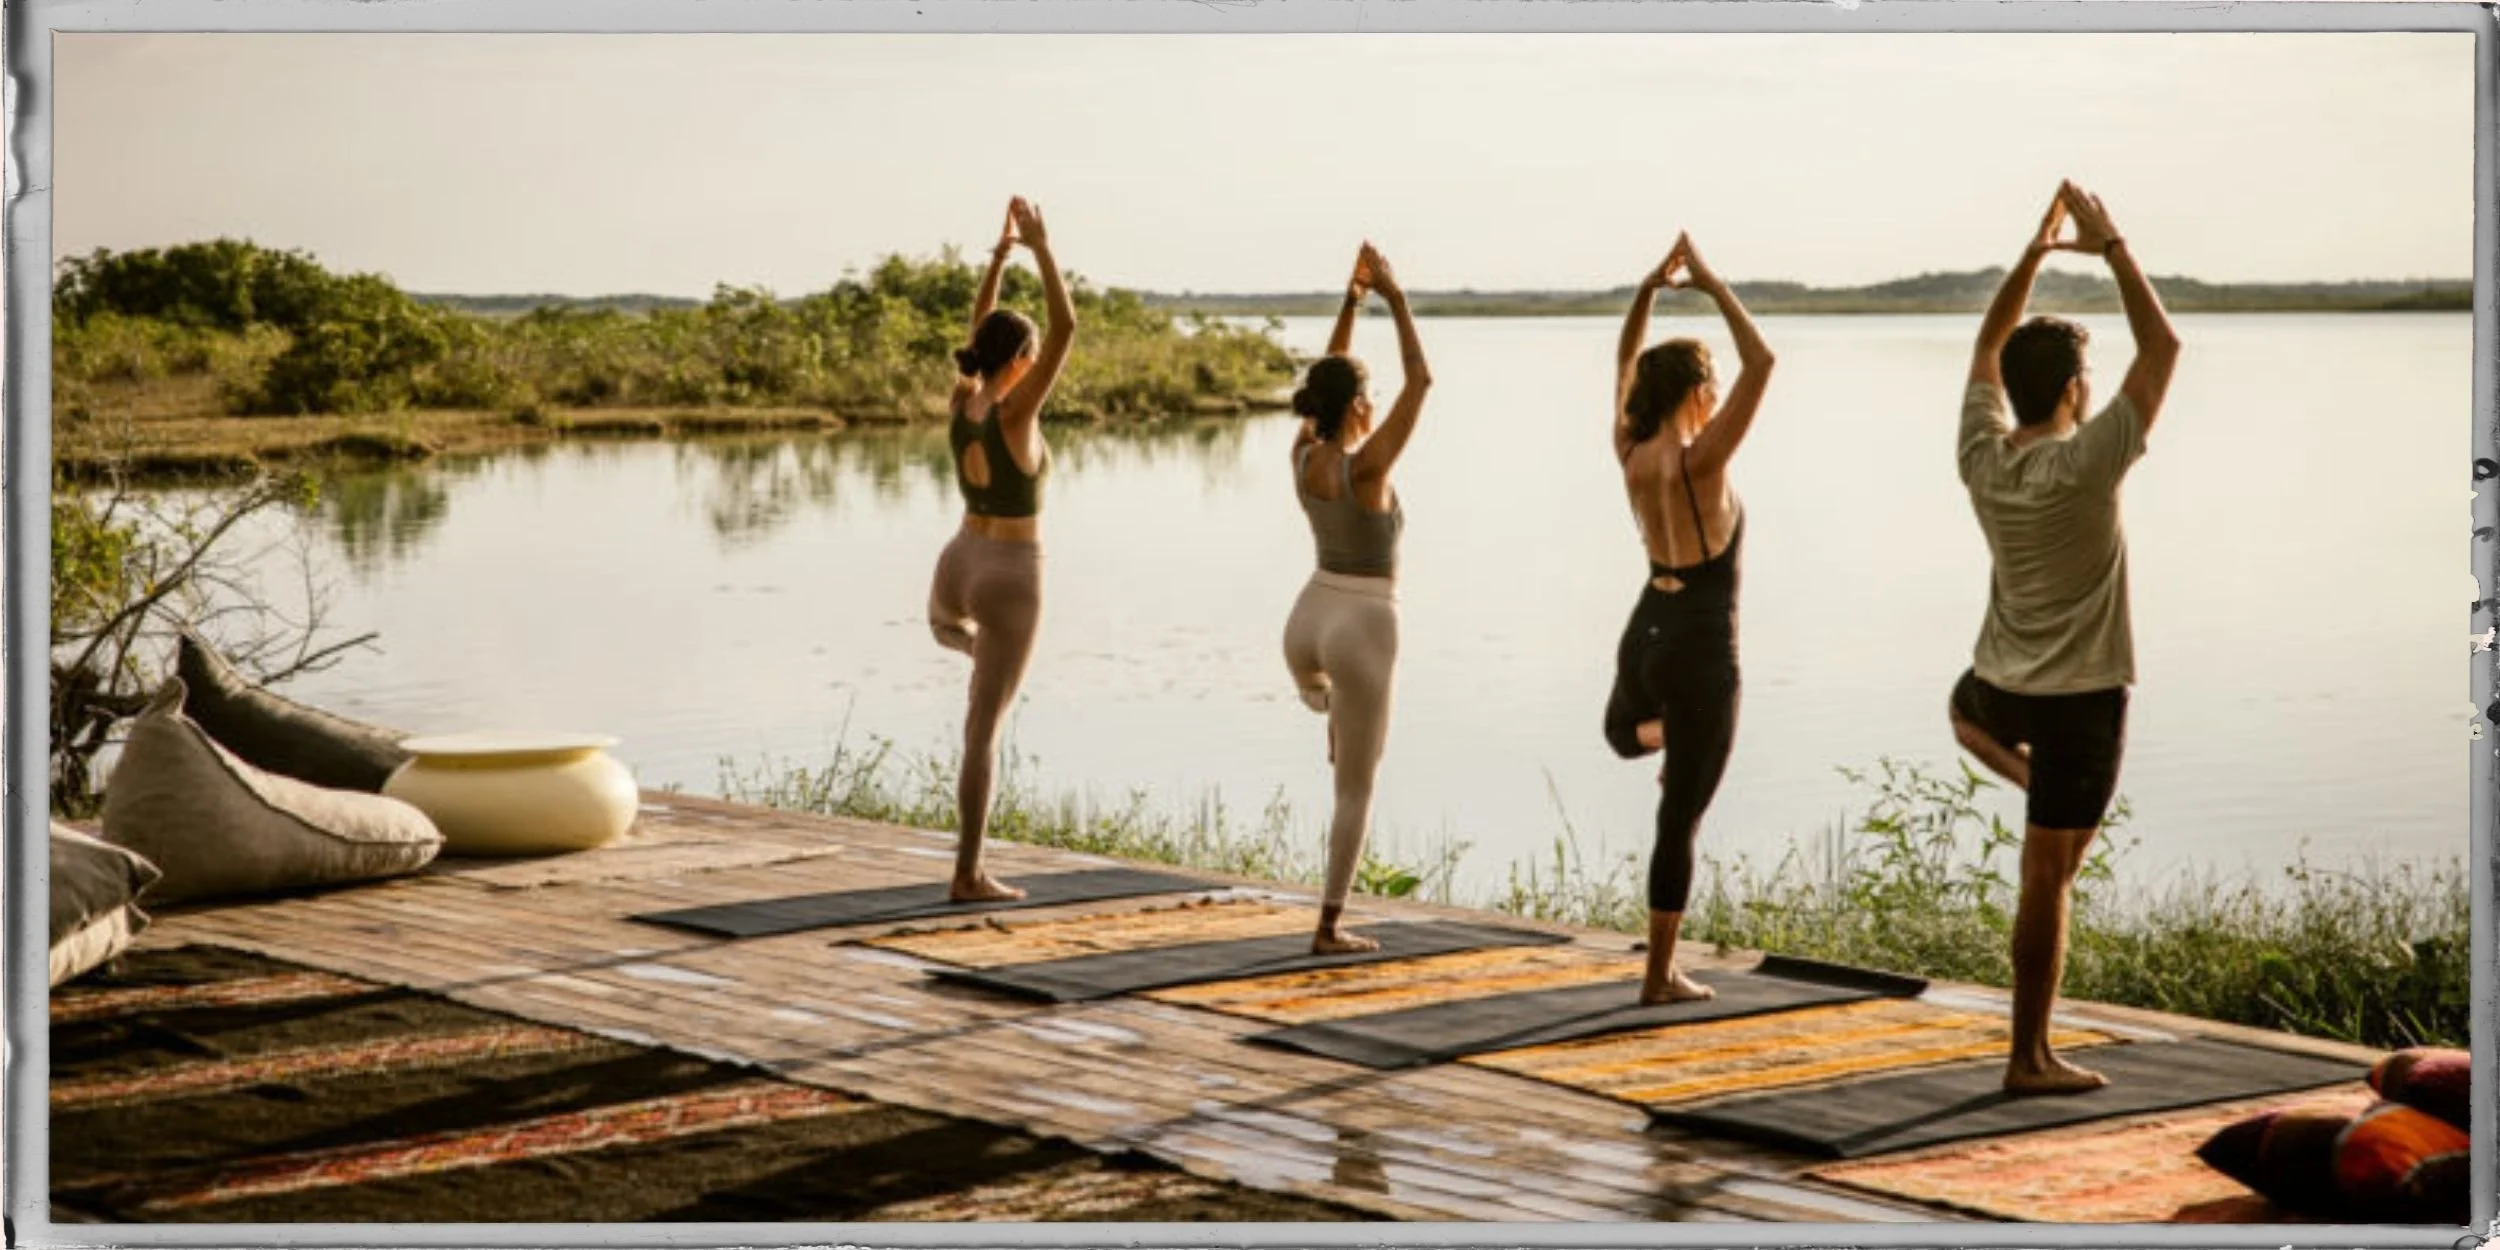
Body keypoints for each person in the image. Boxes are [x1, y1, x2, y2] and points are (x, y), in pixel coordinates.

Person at [1949, 181, 2179, 1094]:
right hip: (2081, 697)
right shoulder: (2090, 460)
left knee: (1971, 714)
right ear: (2078, 391)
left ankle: (2002, 754)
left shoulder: (1982, 457)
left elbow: (1981, 347)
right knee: (2050, 878)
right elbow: (2163, 345)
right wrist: (2109, 241)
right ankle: (2028, 1059)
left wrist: (2037, 253)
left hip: (2000, 689)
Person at [1603, 233, 1775, 1005]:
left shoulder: (1630, 448)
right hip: (1704, 644)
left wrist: (1646, 291)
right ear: (1701, 393)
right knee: (1681, 820)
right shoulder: (1702, 461)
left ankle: (1673, 728)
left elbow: (1621, 363)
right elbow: (1764, 362)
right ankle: (1658, 975)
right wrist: (1709, 282)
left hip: (1647, 624)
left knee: (1620, 735)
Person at [1282, 242, 1431, 954]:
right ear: (1360, 408)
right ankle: (1330, 926)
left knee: (1336, 718)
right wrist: (1396, 299)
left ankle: (1331, 708)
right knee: (1357, 788)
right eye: (1366, 399)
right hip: (1364, 623)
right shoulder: (1369, 467)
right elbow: (1423, 380)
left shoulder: (1306, 452)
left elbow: (1329, 379)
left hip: (1306, 618)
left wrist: (1351, 304)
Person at [928, 196, 1076, 903]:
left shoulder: (964, 403)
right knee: (984, 727)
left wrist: (997, 258)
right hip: (1012, 574)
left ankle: (962, 640)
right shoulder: (1018, 413)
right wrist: (1042, 249)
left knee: (948, 629)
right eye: (1031, 352)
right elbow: (1068, 327)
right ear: (1021, 359)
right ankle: (968, 872)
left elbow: (976, 330)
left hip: (957, 560)